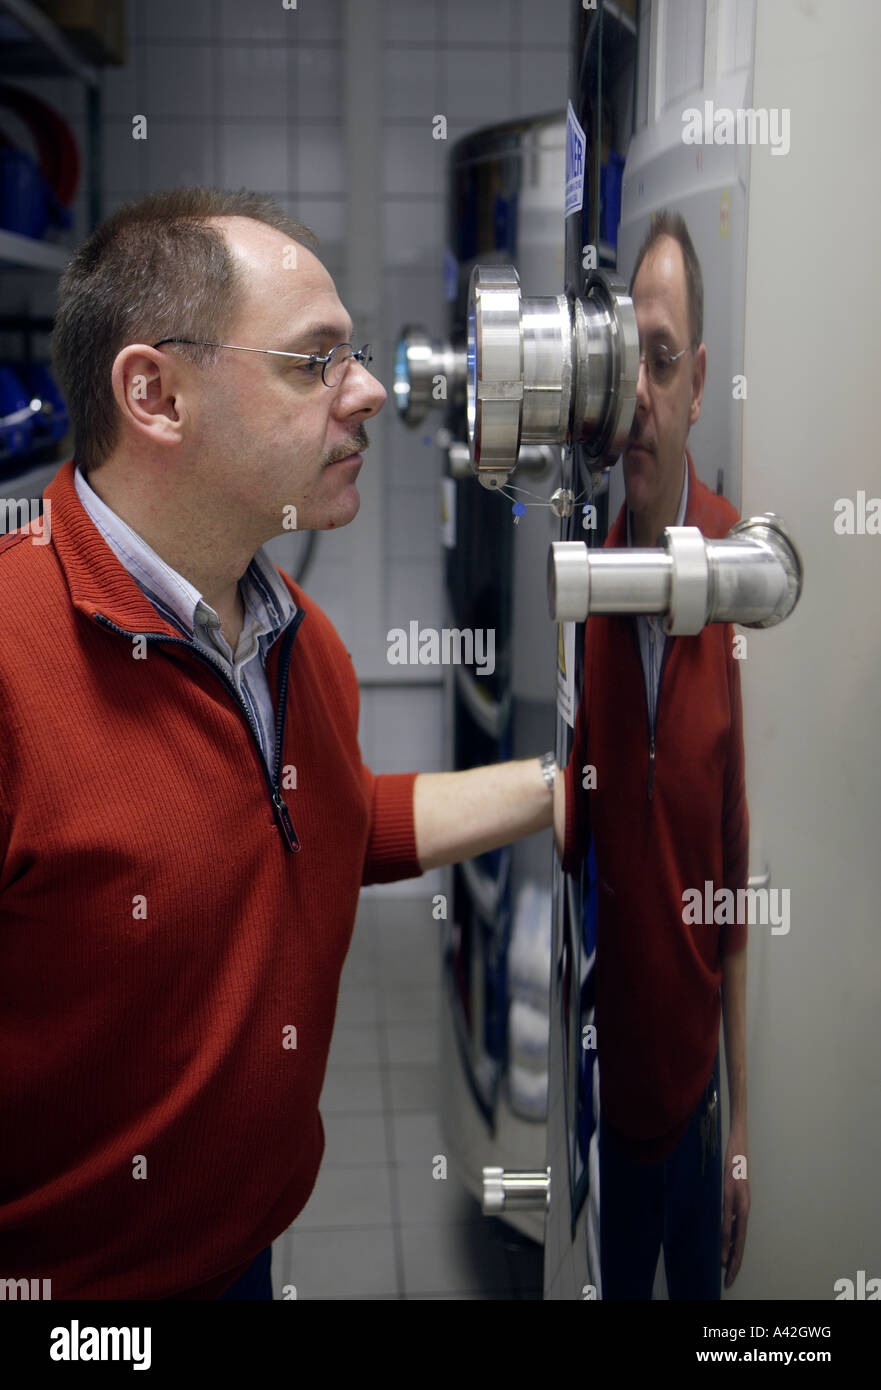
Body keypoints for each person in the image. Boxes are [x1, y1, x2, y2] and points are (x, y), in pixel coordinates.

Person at [0, 188, 556, 1300]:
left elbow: (323, 826)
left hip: (239, 1254)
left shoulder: (298, 638)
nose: (369, 395)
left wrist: (563, 782)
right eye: (315, 362)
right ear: (155, 394)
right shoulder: (16, 664)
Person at [553, 210, 751, 1299]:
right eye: (625, 359)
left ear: (694, 382)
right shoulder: (580, 581)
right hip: (608, 1081)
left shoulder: (737, 576)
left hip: (694, 1091)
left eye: (660, 362)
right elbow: (567, 830)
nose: (637, 395)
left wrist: (737, 1133)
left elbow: (734, 887)